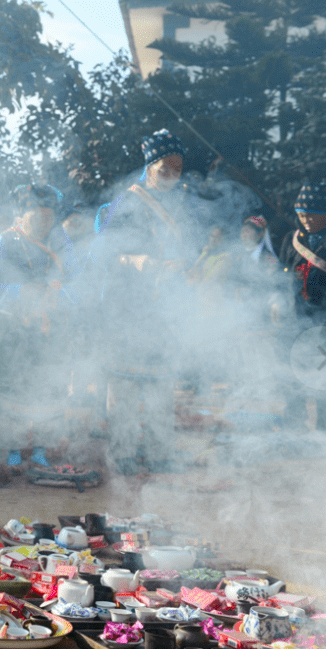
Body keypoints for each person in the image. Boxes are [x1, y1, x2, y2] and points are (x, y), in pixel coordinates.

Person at [95, 129, 199, 474]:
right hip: (127, 306)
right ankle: (122, 455)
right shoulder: (128, 201)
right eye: (165, 167)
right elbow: (106, 252)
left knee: (160, 387)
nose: (172, 174)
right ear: (150, 166)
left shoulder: (181, 203)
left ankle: (160, 454)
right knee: (123, 385)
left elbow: (188, 248)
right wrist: (138, 261)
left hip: (163, 309)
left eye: (178, 167)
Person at [0, 184, 76, 480]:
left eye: (48, 219)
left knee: (49, 385)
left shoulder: (61, 242)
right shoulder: (2, 244)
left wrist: (55, 293)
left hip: (49, 325)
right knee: (13, 385)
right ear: (21, 216)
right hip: (12, 326)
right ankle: (13, 447)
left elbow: (74, 280)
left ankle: (41, 449)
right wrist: (21, 291)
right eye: (37, 218)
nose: (43, 225)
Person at [276, 180, 326, 431]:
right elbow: (282, 275)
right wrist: (276, 300)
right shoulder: (293, 240)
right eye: (302, 215)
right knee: (292, 371)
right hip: (297, 317)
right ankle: (294, 424)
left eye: (313, 215)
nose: (307, 220)